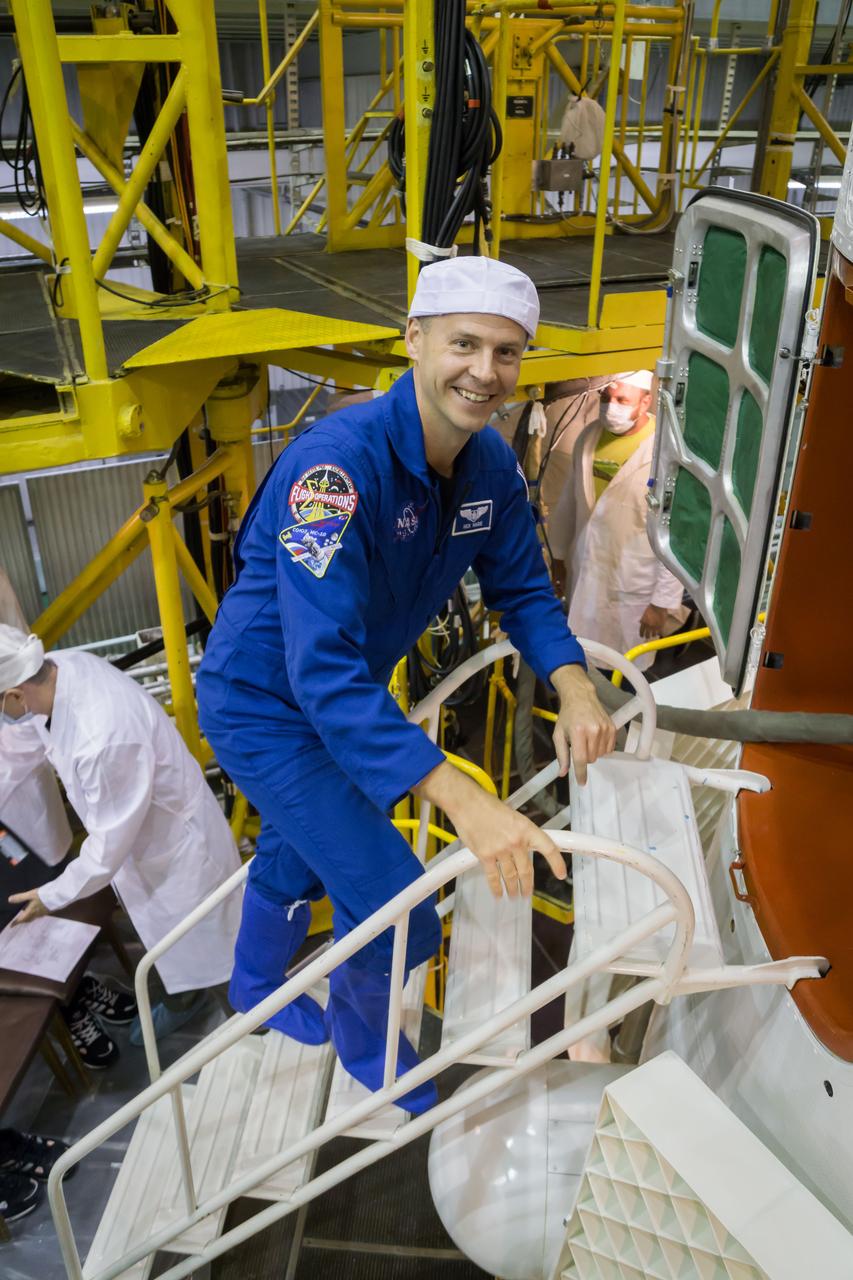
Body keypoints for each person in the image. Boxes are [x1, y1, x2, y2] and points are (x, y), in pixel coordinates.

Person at [196, 255, 616, 1115]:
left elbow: (523, 593)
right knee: (401, 907)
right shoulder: (334, 473)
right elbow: (319, 671)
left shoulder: (490, 468)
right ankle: (370, 1053)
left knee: (299, 847)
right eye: (464, 344)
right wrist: (460, 795)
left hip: (345, 697)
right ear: (413, 340)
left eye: (506, 352)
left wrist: (575, 687)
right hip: (264, 706)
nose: (485, 371)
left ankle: (249, 986)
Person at [0, 626, 242, 1045]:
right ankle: (186, 999)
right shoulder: (63, 670)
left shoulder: (101, 737)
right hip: (145, 848)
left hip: (176, 855)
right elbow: (30, 742)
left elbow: (107, 850)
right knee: (170, 944)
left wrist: (50, 896)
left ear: (16, 695)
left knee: (217, 953)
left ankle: (252, 1020)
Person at [549, 371, 688, 670]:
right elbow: (568, 505)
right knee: (581, 659)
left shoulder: (664, 453)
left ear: (646, 401)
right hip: (586, 570)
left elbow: (675, 534)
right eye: (605, 398)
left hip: (635, 588)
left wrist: (663, 602)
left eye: (622, 400)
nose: (611, 407)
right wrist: (558, 557)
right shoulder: (589, 438)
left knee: (627, 672)